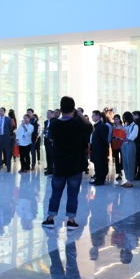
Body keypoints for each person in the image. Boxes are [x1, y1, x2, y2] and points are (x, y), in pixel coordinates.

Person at [42, 96, 93, 230]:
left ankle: (50, 219)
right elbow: (90, 128)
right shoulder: (77, 124)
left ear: (61, 108)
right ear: (73, 109)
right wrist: (80, 115)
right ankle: (71, 220)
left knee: (56, 192)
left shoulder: (54, 124)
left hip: (59, 164)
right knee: (73, 193)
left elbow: (51, 138)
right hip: (75, 165)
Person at [89, 110, 110, 185]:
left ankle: (101, 180)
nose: (92, 117)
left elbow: (104, 139)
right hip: (95, 149)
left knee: (100, 164)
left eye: (94, 115)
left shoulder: (101, 126)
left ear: (98, 116)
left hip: (100, 149)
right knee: (96, 165)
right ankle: (97, 178)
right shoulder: (95, 125)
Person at [120, 111, 138, 188]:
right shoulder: (125, 125)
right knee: (125, 162)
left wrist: (126, 131)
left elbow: (132, 137)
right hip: (124, 143)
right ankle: (127, 179)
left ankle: (130, 181)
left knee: (130, 161)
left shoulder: (135, 126)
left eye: (125, 118)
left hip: (130, 144)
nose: (124, 120)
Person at [0, 108, 14, 172]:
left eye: (2, 111)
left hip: (6, 137)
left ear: (4, 112)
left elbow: (11, 128)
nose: (0, 112)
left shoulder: (8, 119)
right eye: (0, 111)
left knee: (7, 153)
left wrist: (9, 135)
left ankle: (8, 167)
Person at [111, 114, 124, 181]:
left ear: (119, 119)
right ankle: (118, 173)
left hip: (121, 143)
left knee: (122, 158)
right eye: (115, 119)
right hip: (115, 143)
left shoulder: (122, 127)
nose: (116, 121)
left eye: (117, 119)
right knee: (116, 158)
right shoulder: (113, 127)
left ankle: (121, 169)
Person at [43, 110, 55, 176]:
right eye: (47, 113)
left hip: (51, 140)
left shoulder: (54, 121)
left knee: (51, 155)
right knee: (48, 155)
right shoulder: (45, 122)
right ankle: (49, 168)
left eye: (49, 113)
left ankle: (52, 169)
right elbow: (45, 131)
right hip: (46, 139)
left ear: (52, 114)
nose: (47, 115)